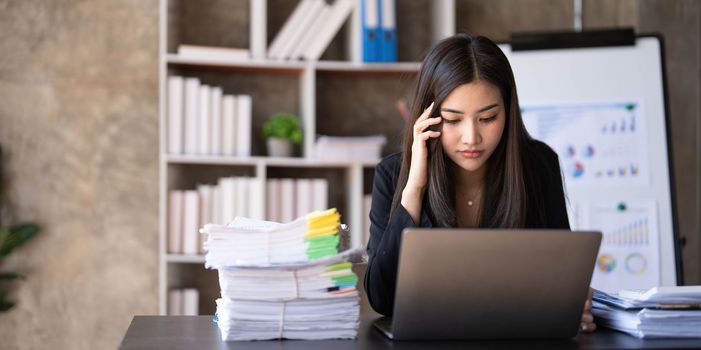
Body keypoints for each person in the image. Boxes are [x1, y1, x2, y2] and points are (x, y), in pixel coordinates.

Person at [364, 33, 596, 333]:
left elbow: (561, 279)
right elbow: (381, 299)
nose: (471, 138)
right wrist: (415, 189)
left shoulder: (539, 166)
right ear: (428, 117)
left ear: (508, 111)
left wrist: (571, 303)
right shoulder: (394, 175)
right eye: (453, 119)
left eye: (487, 118)